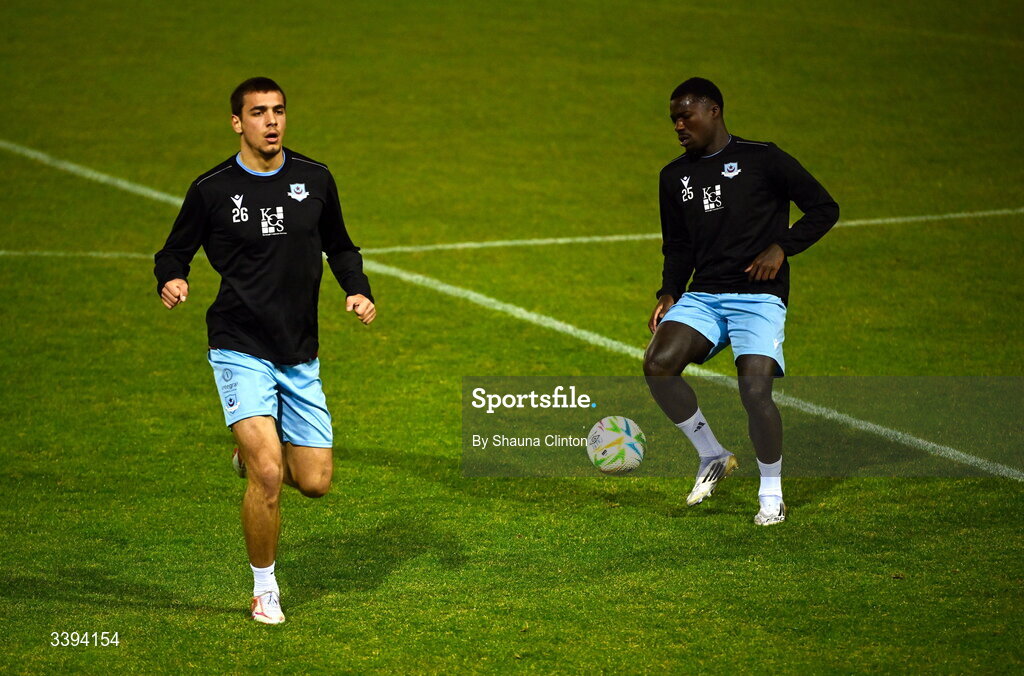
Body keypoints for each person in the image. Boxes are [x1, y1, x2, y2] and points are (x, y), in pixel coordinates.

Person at [154, 77, 376, 623]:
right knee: (270, 476)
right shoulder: (211, 189)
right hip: (238, 343)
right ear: (238, 123)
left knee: (317, 482)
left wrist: (357, 287)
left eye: (278, 111)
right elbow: (173, 251)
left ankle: (247, 458)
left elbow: (341, 245)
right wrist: (172, 279)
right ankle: (264, 587)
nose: (271, 122)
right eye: (258, 113)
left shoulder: (315, 178)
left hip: (298, 350)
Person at [643, 77, 838, 526]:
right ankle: (712, 454)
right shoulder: (673, 176)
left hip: (758, 296)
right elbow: (677, 245)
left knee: (754, 393)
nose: (677, 124)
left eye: (685, 115)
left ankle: (771, 493)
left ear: (713, 111)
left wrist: (782, 247)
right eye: (673, 117)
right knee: (658, 364)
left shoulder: (762, 159)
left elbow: (824, 208)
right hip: (705, 293)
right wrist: (669, 291)